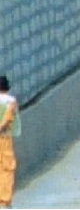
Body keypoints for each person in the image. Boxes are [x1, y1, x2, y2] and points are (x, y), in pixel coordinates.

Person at [0, 75, 19, 209]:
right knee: (7, 168)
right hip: (4, 138)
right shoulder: (11, 101)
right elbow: (8, 119)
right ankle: (4, 200)